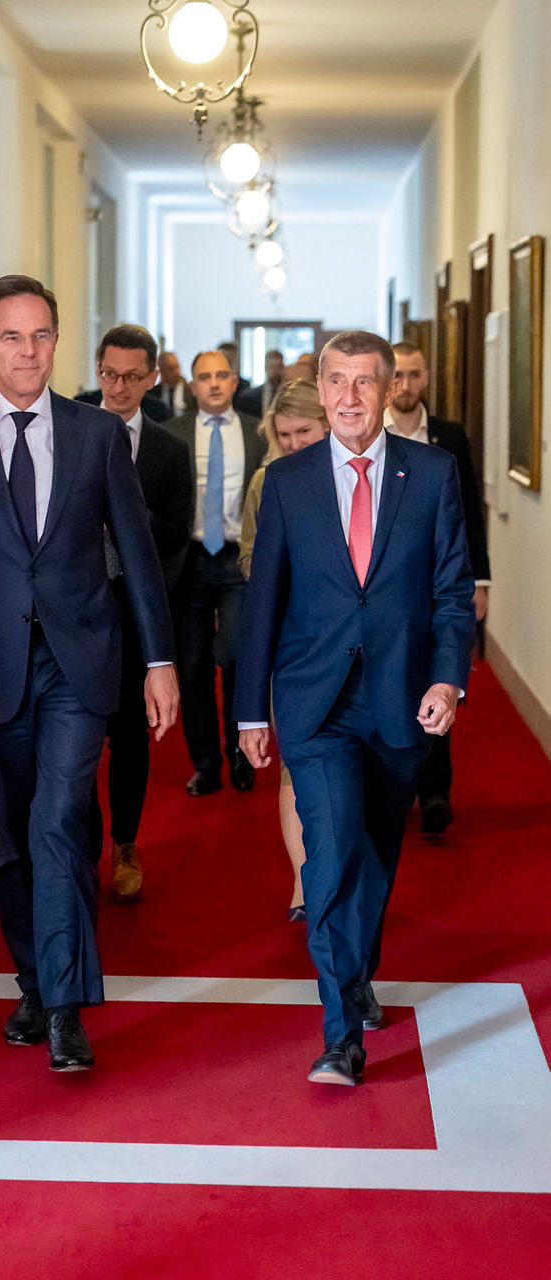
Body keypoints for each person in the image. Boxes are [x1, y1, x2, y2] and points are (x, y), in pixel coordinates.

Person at [0, 275, 178, 1072]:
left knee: (60, 822)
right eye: (12, 337)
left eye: (41, 335)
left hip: (79, 660)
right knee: (13, 837)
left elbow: (137, 553)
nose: (28, 351)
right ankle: (33, 979)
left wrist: (160, 659)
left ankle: (64, 1007)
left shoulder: (97, 434)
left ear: (58, 342)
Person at [235, 330, 475, 1086]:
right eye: (335, 380)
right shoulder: (288, 480)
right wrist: (250, 711)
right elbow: (263, 601)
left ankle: (357, 972)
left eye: (364, 382)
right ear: (320, 386)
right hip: (316, 703)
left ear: (388, 389)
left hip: (401, 700)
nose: (348, 396)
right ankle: (341, 1034)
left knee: (374, 859)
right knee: (332, 854)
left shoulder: (431, 473)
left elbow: (450, 593)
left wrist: (447, 681)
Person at [88, 324, 192, 900]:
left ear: (152, 378)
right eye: (109, 373)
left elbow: (175, 536)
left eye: (131, 376)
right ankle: (79, 844)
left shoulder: (169, 449)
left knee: (129, 735)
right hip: (76, 609)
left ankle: (125, 843)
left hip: (133, 611)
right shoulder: (70, 429)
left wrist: (126, 511)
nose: (119, 386)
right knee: (74, 733)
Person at [386, 340, 491, 834]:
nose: (406, 384)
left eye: (414, 374)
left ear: (426, 377)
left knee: (441, 675)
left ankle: (434, 792)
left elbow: (470, 511)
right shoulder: (372, 431)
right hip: (391, 582)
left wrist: (480, 581)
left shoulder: (448, 435)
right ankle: (394, 783)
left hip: (442, 578)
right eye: (398, 375)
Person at [238, 381, 329, 921]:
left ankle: (337, 873)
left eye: (304, 432)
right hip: (291, 643)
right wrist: (281, 568)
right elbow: (249, 555)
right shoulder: (265, 481)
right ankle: (301, 881)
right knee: (295, 765)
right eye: (285, 434)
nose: (294, 443)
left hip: (349, 639)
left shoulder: (354, 477)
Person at [167, 349, 263, 795]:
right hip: (190, 561)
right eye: (205, 377)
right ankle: (205, 765)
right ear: (193, 385)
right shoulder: (173, 433)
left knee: (237, 656)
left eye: (222, 375)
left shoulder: (257, 431)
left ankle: (241, 753)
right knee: (192, 666)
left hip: (238, 559)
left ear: (235, 380)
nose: (214, 383)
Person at [237, 348, 286, 418]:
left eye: (279, 367)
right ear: (266, 368)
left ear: (284, 367)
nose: (276, 371)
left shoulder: (289, 393)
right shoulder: (250, 396)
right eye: (272, 367)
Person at [155, 351, 195, 417]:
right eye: (170, 368)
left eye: (177, 366)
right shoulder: (154, 394)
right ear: (162, 371)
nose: (176, 371)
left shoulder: (191, 392)